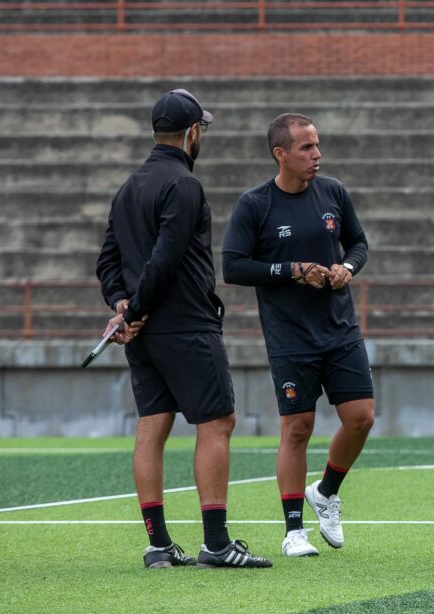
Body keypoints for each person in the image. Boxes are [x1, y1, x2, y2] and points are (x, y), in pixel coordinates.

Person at [95, 89, 271, 569]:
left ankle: (158, 544)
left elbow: (108, 259)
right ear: (193, 133)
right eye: (203, 129)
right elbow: (167, 258)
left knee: (152, 426)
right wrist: (137, 308)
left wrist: (122, 305)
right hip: (186, 324)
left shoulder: (130, 185)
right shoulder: (185, 185)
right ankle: (216, 544)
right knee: (217, 423)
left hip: (145, 332)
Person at [222, 113, 374, 559]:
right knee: (297, 430)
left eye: (318, 145)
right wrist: (291, 271)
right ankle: (294, 530)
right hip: (290, 336)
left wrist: (347, 268)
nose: (316, 155)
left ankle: (325, 492)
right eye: (306, 148)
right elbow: (233, 267)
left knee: (362, 417)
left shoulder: (333, 193)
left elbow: (359, 244)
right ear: (280, 154)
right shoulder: (254, 204)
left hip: (340, 328)